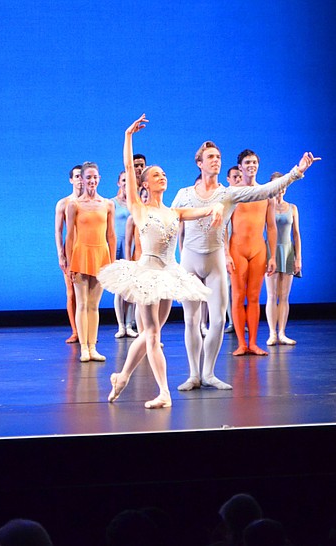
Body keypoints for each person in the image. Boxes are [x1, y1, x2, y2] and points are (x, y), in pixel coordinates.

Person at [171, 142, 319, 391]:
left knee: (217, 320)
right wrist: (172, 260)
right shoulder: (185, 193)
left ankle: (208, 373)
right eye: (210, 157)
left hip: (215, 258)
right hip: (190, 260)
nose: (216, 160)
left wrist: (297, 171)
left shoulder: (228, 193)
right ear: (199, 162)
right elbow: (172, 221)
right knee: (191, 320)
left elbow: (264, 191)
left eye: (218, 156)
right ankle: (193, 374)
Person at [100, 114, 217, 408]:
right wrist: (128, 135)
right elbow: (128, 166)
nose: (162, 177)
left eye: (164, 174)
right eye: (156, 175)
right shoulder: (138, 208)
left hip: (169, 274)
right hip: (147, 274)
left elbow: (201, 212)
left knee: (152, 333)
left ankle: (122, 376)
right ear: (145, 184)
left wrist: (215, 207)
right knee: (151, 333)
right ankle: (164, 392)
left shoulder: (174, 212)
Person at [227, 150, 279, 356]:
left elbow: (272, 226)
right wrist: (225, 253)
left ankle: (254, 343)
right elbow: (223, 225)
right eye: (247, 162)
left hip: (258, 249)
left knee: (255, 297)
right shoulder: (231, 193)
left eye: (255, 162)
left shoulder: (266, 193)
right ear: (240, 167)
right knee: (238, 296)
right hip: (237, 249)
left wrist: (273, 255)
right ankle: (241, 343)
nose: (252, 165)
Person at [66, 161, 115, 363]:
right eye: (88, 177)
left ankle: (93, 346)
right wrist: (69, 264)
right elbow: (68, 236)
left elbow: (111, 235)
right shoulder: (74, 205)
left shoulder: (107, 204)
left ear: (99, 178)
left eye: (95, 177)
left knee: (94, 305)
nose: (92, 180)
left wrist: (112, 263)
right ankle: (84, 348)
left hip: (100, 255)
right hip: (81, 254)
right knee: (83, 304)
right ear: (82, 180)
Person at [264, 176, 302, 346]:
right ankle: (272, 333)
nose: (280, 189)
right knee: (272, 295)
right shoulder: (267, 206)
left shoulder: (293, 208)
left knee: (284, 296)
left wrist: (298, 257)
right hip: (271, 251)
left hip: (287, 251)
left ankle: (282, 333)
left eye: (283, 186)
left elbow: (296, 234)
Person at [54, 165, 83, 343]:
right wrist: (60, 254)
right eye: (77, 176)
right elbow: (58, 231)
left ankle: (87, 331)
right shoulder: (63, 203)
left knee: (87, 294)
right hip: (70, 250)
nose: (80, 180)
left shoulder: (92, 202)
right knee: (71, 292)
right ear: (71, 180)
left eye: (82, 176)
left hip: (87, 248)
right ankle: (75, 331)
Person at [111, 170, 137, 338]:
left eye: (130, 181)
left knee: (133, 287)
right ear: (118, 183)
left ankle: (129, 324)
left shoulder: (136, 204)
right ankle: (121, 325)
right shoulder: (111, 203)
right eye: (124, 180)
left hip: (133, 247)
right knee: (120, 288)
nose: (127, 183)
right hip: (118, 247)